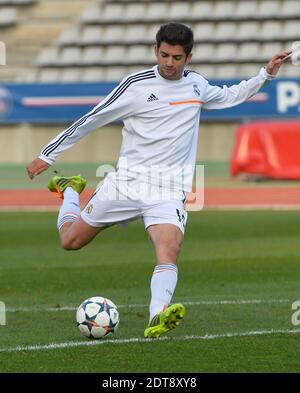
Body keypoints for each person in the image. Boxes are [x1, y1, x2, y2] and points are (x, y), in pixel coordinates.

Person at [27, 22, 290, 339]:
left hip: (168, 188)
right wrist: (48, 154)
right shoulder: (135, 85)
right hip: (126, 183)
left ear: (188, 57)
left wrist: (266, 74)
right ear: (156, 51)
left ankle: (157, 315)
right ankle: (70, 191)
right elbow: (92, 118)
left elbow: (231, 95)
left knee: (170, 248)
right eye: (164, 55)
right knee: (70, 241)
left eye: (176, 57)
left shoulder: (196, 86)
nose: (169, 62)